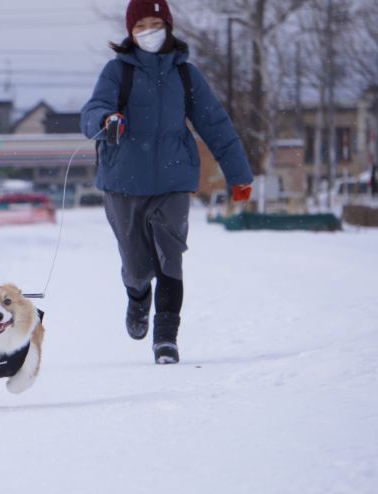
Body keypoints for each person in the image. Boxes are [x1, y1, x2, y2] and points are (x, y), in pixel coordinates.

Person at [80, 0, 253, 364]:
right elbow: (91, 112)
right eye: (140, 25)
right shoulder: (118, 72)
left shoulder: (186, 74)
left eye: (155, 23)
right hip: (123, 183)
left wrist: (239, 175)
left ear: (169, 26)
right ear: (130, 31)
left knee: (169, 259)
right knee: (137, 267)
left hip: (174, 181)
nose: (148, 31)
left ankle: (165, 340)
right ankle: (138, 297)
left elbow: (216, 125)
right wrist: (106, 120)